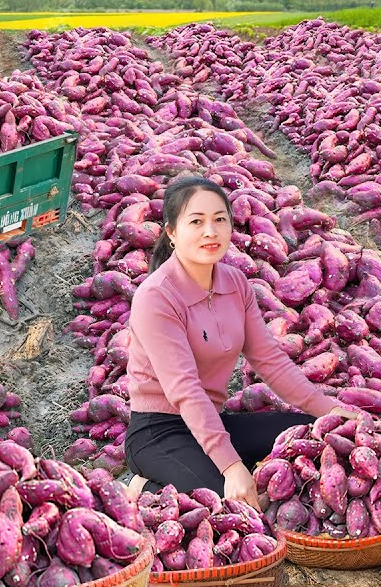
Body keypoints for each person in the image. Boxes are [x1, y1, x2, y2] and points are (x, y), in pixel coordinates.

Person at [124, 176, 357, 508]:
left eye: (220, 220)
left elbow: (272, 363)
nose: (211, 231)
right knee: (231, 504)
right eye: (196, 222)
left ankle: (217, 469)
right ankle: (143, 489)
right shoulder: (156, 297)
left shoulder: (235, 284)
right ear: (172, 233)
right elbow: (185, 390)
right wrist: (231, 466)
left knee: (317, 435)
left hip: (212, 423)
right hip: (158, 432)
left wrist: (331, 412)